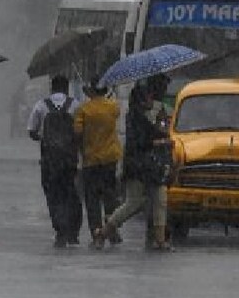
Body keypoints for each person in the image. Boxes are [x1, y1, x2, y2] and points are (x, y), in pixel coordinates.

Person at [94, 73, 173, 251]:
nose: (151, 99)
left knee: (160, 199)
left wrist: (160, 127)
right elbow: (142, 140)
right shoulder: (135, 118)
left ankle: (160, 240)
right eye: (148, 97)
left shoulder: (151, 113)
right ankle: (104, 231)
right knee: (134, 202)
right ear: (142, 100)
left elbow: (159, 131)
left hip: (152, 165)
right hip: (138, 166)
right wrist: (157, 138)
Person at [27, 75, 83, 248]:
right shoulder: (75, 105)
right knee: (71, 194)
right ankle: (73, 232)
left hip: (49, 161)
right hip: (69, 160)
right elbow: (81, 132)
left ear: (52, 88)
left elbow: (31, 131)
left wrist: (45, 139)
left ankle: (60, 230)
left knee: (53, 195)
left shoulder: (41, 105)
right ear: (66, 88)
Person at [74, 77, 123, 249]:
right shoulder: (113, 107)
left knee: (92, 199)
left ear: (91, 90)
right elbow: (114, 113)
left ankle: (96, 234)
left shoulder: (83, 110)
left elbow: (77, 133)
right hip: (110, 158)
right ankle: (111, 229)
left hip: (91, 159)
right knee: (110, 196)